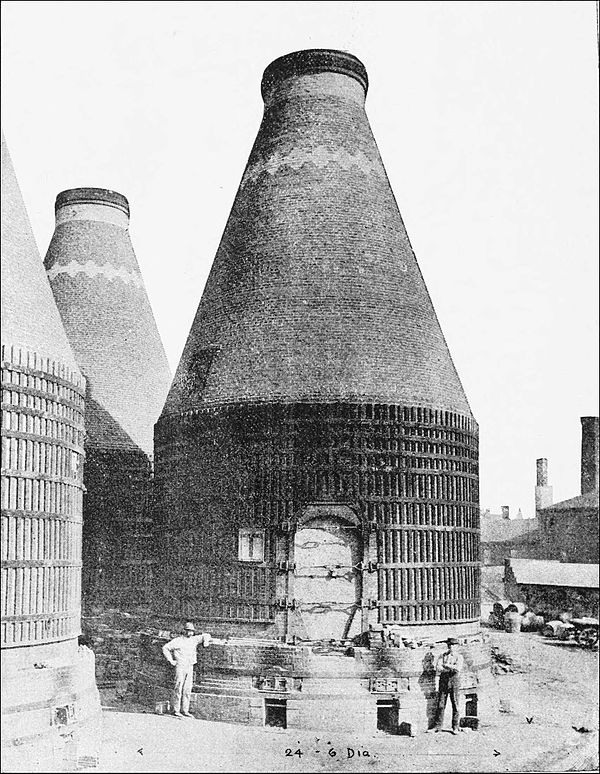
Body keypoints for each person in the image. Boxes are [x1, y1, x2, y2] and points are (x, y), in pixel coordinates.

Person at [161, 621, 224, 718]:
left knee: (187, 689)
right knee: (178, 687)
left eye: (192, 631)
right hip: (180, 666)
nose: (190, 633)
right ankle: (176, 710)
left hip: (190, 666)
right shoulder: (178, 640)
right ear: (184, 631)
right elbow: (165, 648)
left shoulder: (194, 640)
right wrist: (171, 660)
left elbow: (206, 635)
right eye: (188, 631)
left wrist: (206, 642)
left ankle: (185, 710)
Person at [431, 637, 464, 734]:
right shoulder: (443, 655)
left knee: (455, 705)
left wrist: (446, 666)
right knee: (441, 704)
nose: (451, 647)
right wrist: (449, 667)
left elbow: (457, 669)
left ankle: (455, 727)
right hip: (444, 681)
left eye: (453, 645)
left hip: (454, 681)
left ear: (456, 646)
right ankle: (438, 726)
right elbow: (438, 667)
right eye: (449, 645)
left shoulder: (459, 657)